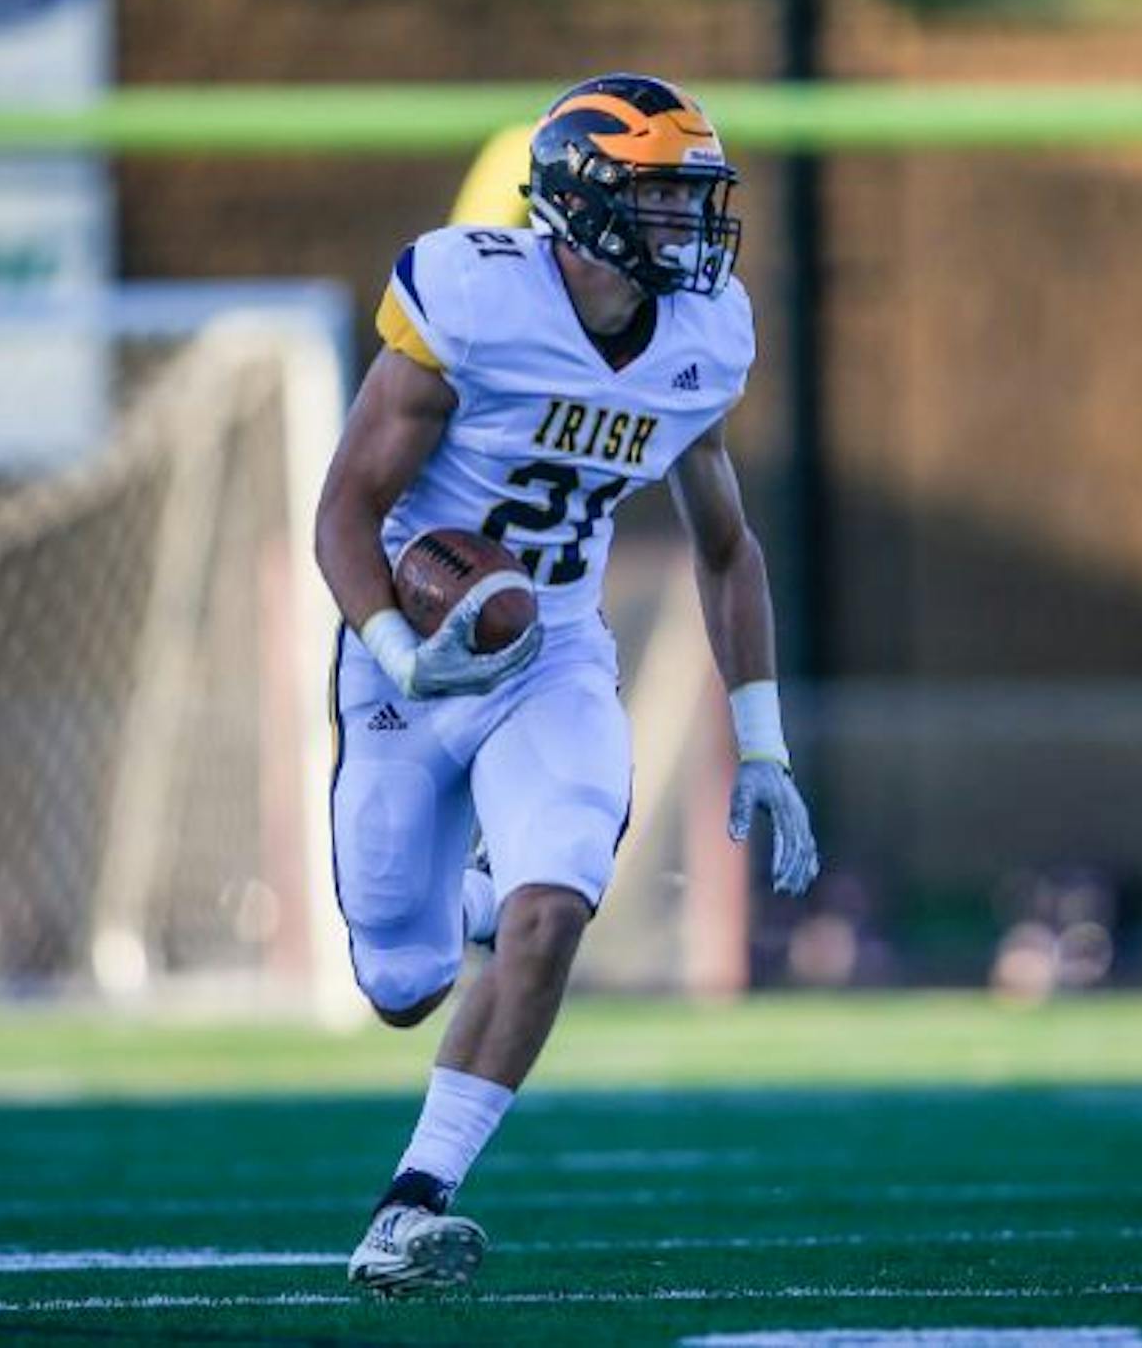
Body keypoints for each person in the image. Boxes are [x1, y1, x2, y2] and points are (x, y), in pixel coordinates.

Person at [313, 73, 820, 1295]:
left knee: (553, 915)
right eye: (662, 197)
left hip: (552, 655)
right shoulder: (473, 300)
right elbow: (347, 509)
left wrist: (764, 744)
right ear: (587, 198)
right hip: (409, 656)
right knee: (399, 982)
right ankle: (469, 899)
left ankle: (411, 1202)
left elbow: (724, 547)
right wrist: (398, 648)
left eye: (697, 198)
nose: (689, 225)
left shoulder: (703, 337)